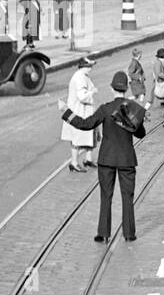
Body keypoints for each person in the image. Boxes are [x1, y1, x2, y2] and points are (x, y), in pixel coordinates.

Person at [58, 71, 146, 242]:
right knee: (127, 197)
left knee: (106, 196)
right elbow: (140, 134)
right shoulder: (132, 108)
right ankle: (129, 234)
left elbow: (85, 124)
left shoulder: (105, 109)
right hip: (127, 159)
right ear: (126, 88)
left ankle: (103, 233)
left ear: (112, 88)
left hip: (107, 159)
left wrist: (67, 112)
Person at [62, 56, 98, 172]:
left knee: (89, 135)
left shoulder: (83, 76)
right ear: (83, 67)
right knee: (77, 138)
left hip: (83, 111)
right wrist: (92, 92)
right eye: (89, 66)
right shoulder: (79, 78)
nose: (91, 69)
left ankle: (87, 159)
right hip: (79, 112)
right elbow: (82, 96)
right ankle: (74, 162)